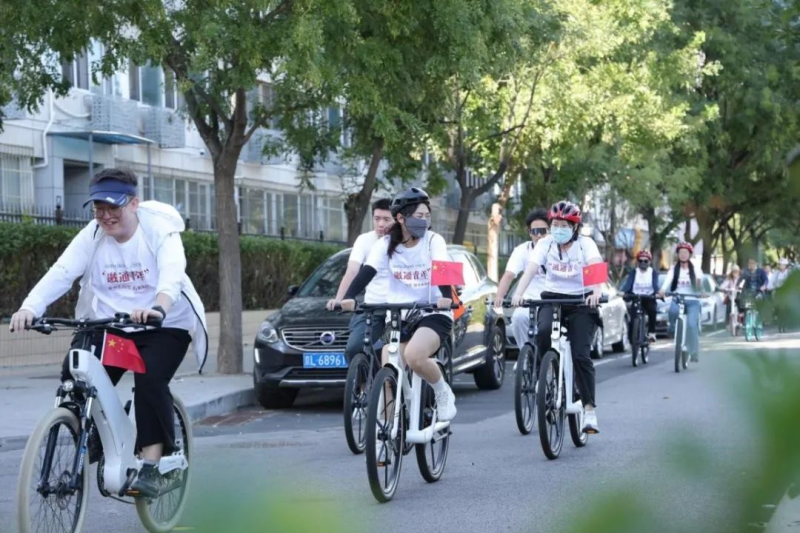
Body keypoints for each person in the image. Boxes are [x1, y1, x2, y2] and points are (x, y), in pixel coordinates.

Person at [9, 168, 208, 498]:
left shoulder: (159, 230)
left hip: (164, 323)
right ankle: (91, 434)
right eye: (98, 208)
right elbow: (61, 272)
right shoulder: (92, 235)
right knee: (76, 376)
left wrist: (158, 306)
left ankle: (154, 466)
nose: (105, 216)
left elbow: (172, 273)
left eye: (113, 207)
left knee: (149, 379)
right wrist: (31, 308)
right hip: (112, 326)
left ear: (133, 203)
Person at [339, 187, 457, 421]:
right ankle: (386, 431)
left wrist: (445, 297)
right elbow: (367, 271)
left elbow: (442, 268)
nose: (424, 221)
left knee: (414, 355)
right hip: (399, 315)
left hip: (432, 312)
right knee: (388, 367)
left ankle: (442, 391)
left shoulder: (434, 240)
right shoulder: (385, 244)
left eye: (427, 216)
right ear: (401, 218)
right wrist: (349, 296)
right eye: (418, 217)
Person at [511, 200, 603, 434]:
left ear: (574, 227)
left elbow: (595, 267)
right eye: (555, 224)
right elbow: (531, 269)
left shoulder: (586, 245)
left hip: (581, 301)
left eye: (564, 224)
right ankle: (546, 372)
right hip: (552, 298)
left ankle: (589, 409)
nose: (558, 228)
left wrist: (596, 292)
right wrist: (519, 293)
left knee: (581, 354)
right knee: (542, 333)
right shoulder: (545, 244)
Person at [327, 198, 393, 361]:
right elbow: (352, 270)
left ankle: (392, 383)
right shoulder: (364, 240)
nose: (381, 224)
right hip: (372, 306)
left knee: (392, 352)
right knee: (354, 349)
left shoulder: (403, 242)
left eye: (386, 219)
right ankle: (364, 386)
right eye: (377, 219)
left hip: (398, 307)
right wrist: (340, 299)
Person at [493, 208, 549, 349]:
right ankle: (526, 357)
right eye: (535, 231)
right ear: (530, 233)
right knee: (518, 319)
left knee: (547, 331)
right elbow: (509, 275)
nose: (539, 236)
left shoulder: (557, 250)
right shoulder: (522, 251)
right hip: (528, 302)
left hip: (552, 302)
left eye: (543, 231)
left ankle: (549, 360)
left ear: (550, 231)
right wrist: (499, 297)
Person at [657, 242, 705, 363]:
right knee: (672, 312)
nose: (683, 255)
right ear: (678, 254)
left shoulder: (696, 269)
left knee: (691, 325)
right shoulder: (674, 268)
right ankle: (672, 328)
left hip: (693, 300)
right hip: (678, 298)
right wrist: (662, 290)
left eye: (685, 253)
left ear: (689, 254)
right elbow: (668, 280)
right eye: (681, 253)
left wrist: (701, 291)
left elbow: (700, 282)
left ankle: (693, 352)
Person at [620, 250, 659, 343]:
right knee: (633, 317)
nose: (643, 263)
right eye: (640, 261)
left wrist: (658, 293)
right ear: (637, 262)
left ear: (649, 261)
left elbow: (656, 285)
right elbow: (628, 284)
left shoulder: (653, 272)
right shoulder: (633, 272)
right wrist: (623, 292)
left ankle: (651, 333)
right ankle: (632, 338)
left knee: (652, 310)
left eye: (645, 261)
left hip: (649, 297)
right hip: (636, 297)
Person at [720, 265, 743, 330]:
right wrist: (724, 289)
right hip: (731, 296)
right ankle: (727, 323)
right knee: (729, 307)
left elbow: (743, 284)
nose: (735, 273)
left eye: (736, 272)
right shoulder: (729, 279)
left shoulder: (741, 279)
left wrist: (741, 288)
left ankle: (740, 321)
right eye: (734, 272)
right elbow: (723, 285)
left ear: (739, 272)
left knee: (740, 306)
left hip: (738, 296)